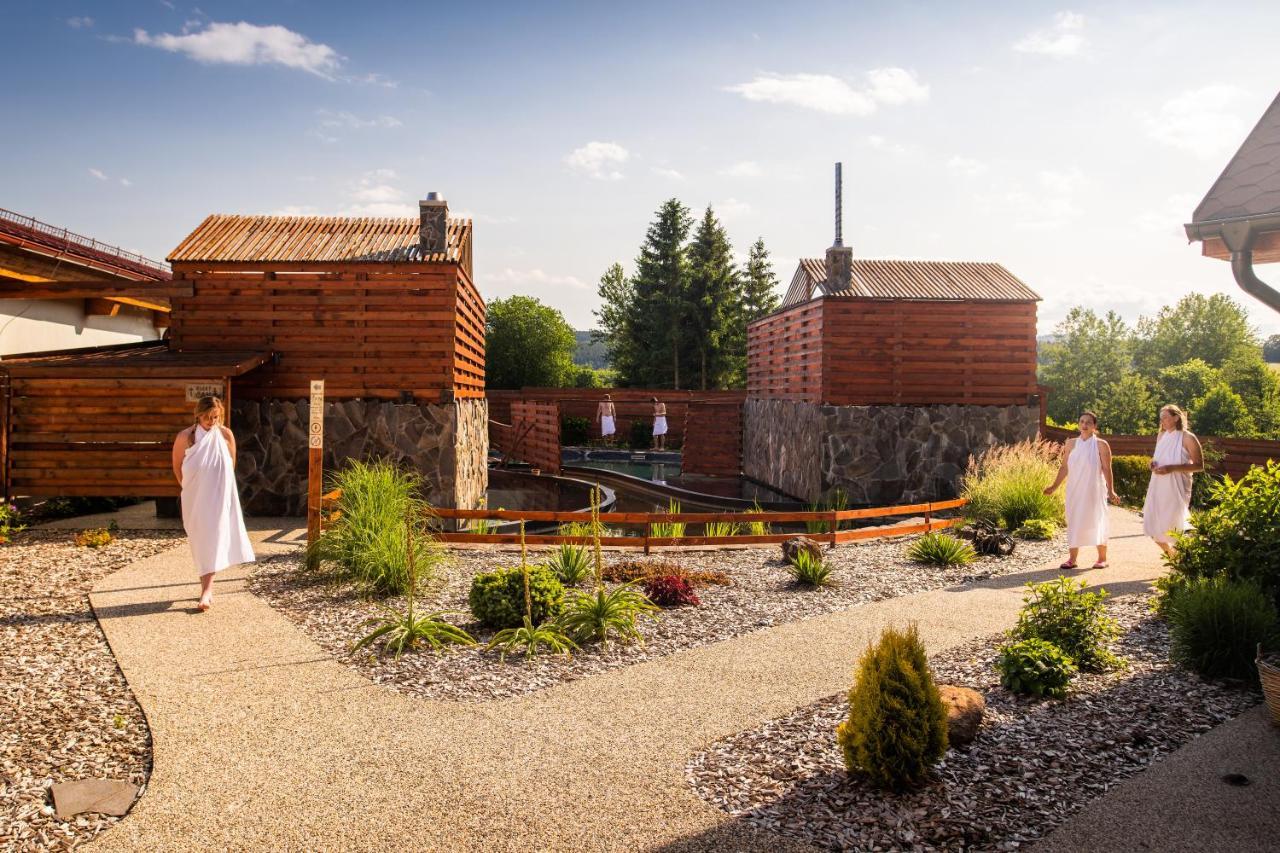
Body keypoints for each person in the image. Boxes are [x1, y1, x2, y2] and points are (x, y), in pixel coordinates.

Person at [170, 396, 255, 611]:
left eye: (216, 417)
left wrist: (220, 491)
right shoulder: (185, 437)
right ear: (198, 415)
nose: (212, 421)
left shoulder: (226, 435)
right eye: (208, 418)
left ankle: (207, 591)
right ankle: (205, 587)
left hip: (219, 497)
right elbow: (177, 467)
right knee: (200, 540)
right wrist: (190, 489)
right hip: (194, 498)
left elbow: (230, 465)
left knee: (214, 537)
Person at [1043, 411, 1120, 569]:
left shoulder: (1101, 445)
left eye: (1088, 422)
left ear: (1094, 426)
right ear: (1078, 424)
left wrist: (1111, 491)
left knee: (1096, 520)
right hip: (1074, 489)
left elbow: (1107, 469)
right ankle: (1072, 559)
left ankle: (1102, 558)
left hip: (1094, 489)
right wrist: (1053, 486)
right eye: (1082, 421)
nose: (1084, 425)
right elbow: (1064, 467)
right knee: (1074, 520)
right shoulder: (1071, 443)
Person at [1142, 404, 1203, 555]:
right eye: (1161, 417)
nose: (1162, 420)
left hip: (1178, 486)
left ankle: (1183, 557)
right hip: (1158, 484)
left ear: (1176, 418)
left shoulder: (1188, 437)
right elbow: (1159, 457)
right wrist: (1153, 463)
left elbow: (1199, 465)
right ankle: (1171, 554)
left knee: (1175, 523)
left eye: (1165, 417)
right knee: (1153, 522)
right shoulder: (1161, 435)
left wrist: (1172, 468)